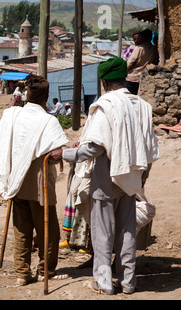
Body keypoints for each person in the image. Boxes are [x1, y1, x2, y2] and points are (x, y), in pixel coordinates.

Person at [62, 57, 160, 295]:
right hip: (131, 180)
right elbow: (149, 147)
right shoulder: (141, 105)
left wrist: (65, 154)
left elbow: (94, 148)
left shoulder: (106, 104)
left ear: (104, 81)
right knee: (127, 231)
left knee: (102, 232)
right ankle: (128, 282)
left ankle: (104, 282)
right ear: (123, 78)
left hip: (105, 180)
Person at [0, 75, 69, 286]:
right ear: (46, 97)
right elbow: (56, 154)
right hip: (39, 182)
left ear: (27, 94)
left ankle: (22, 274)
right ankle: (46, 270)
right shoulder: (48, 120)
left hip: (15, 180)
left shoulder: (12, 115)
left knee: (21, 228)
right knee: (48, 229)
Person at [126, 29, 158, 95]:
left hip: (132, 77)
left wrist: (123, 72)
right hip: (144, 77)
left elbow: (130, 62)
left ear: (143, 37)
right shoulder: (154, 49)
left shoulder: (139, 48)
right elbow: (155, 61)